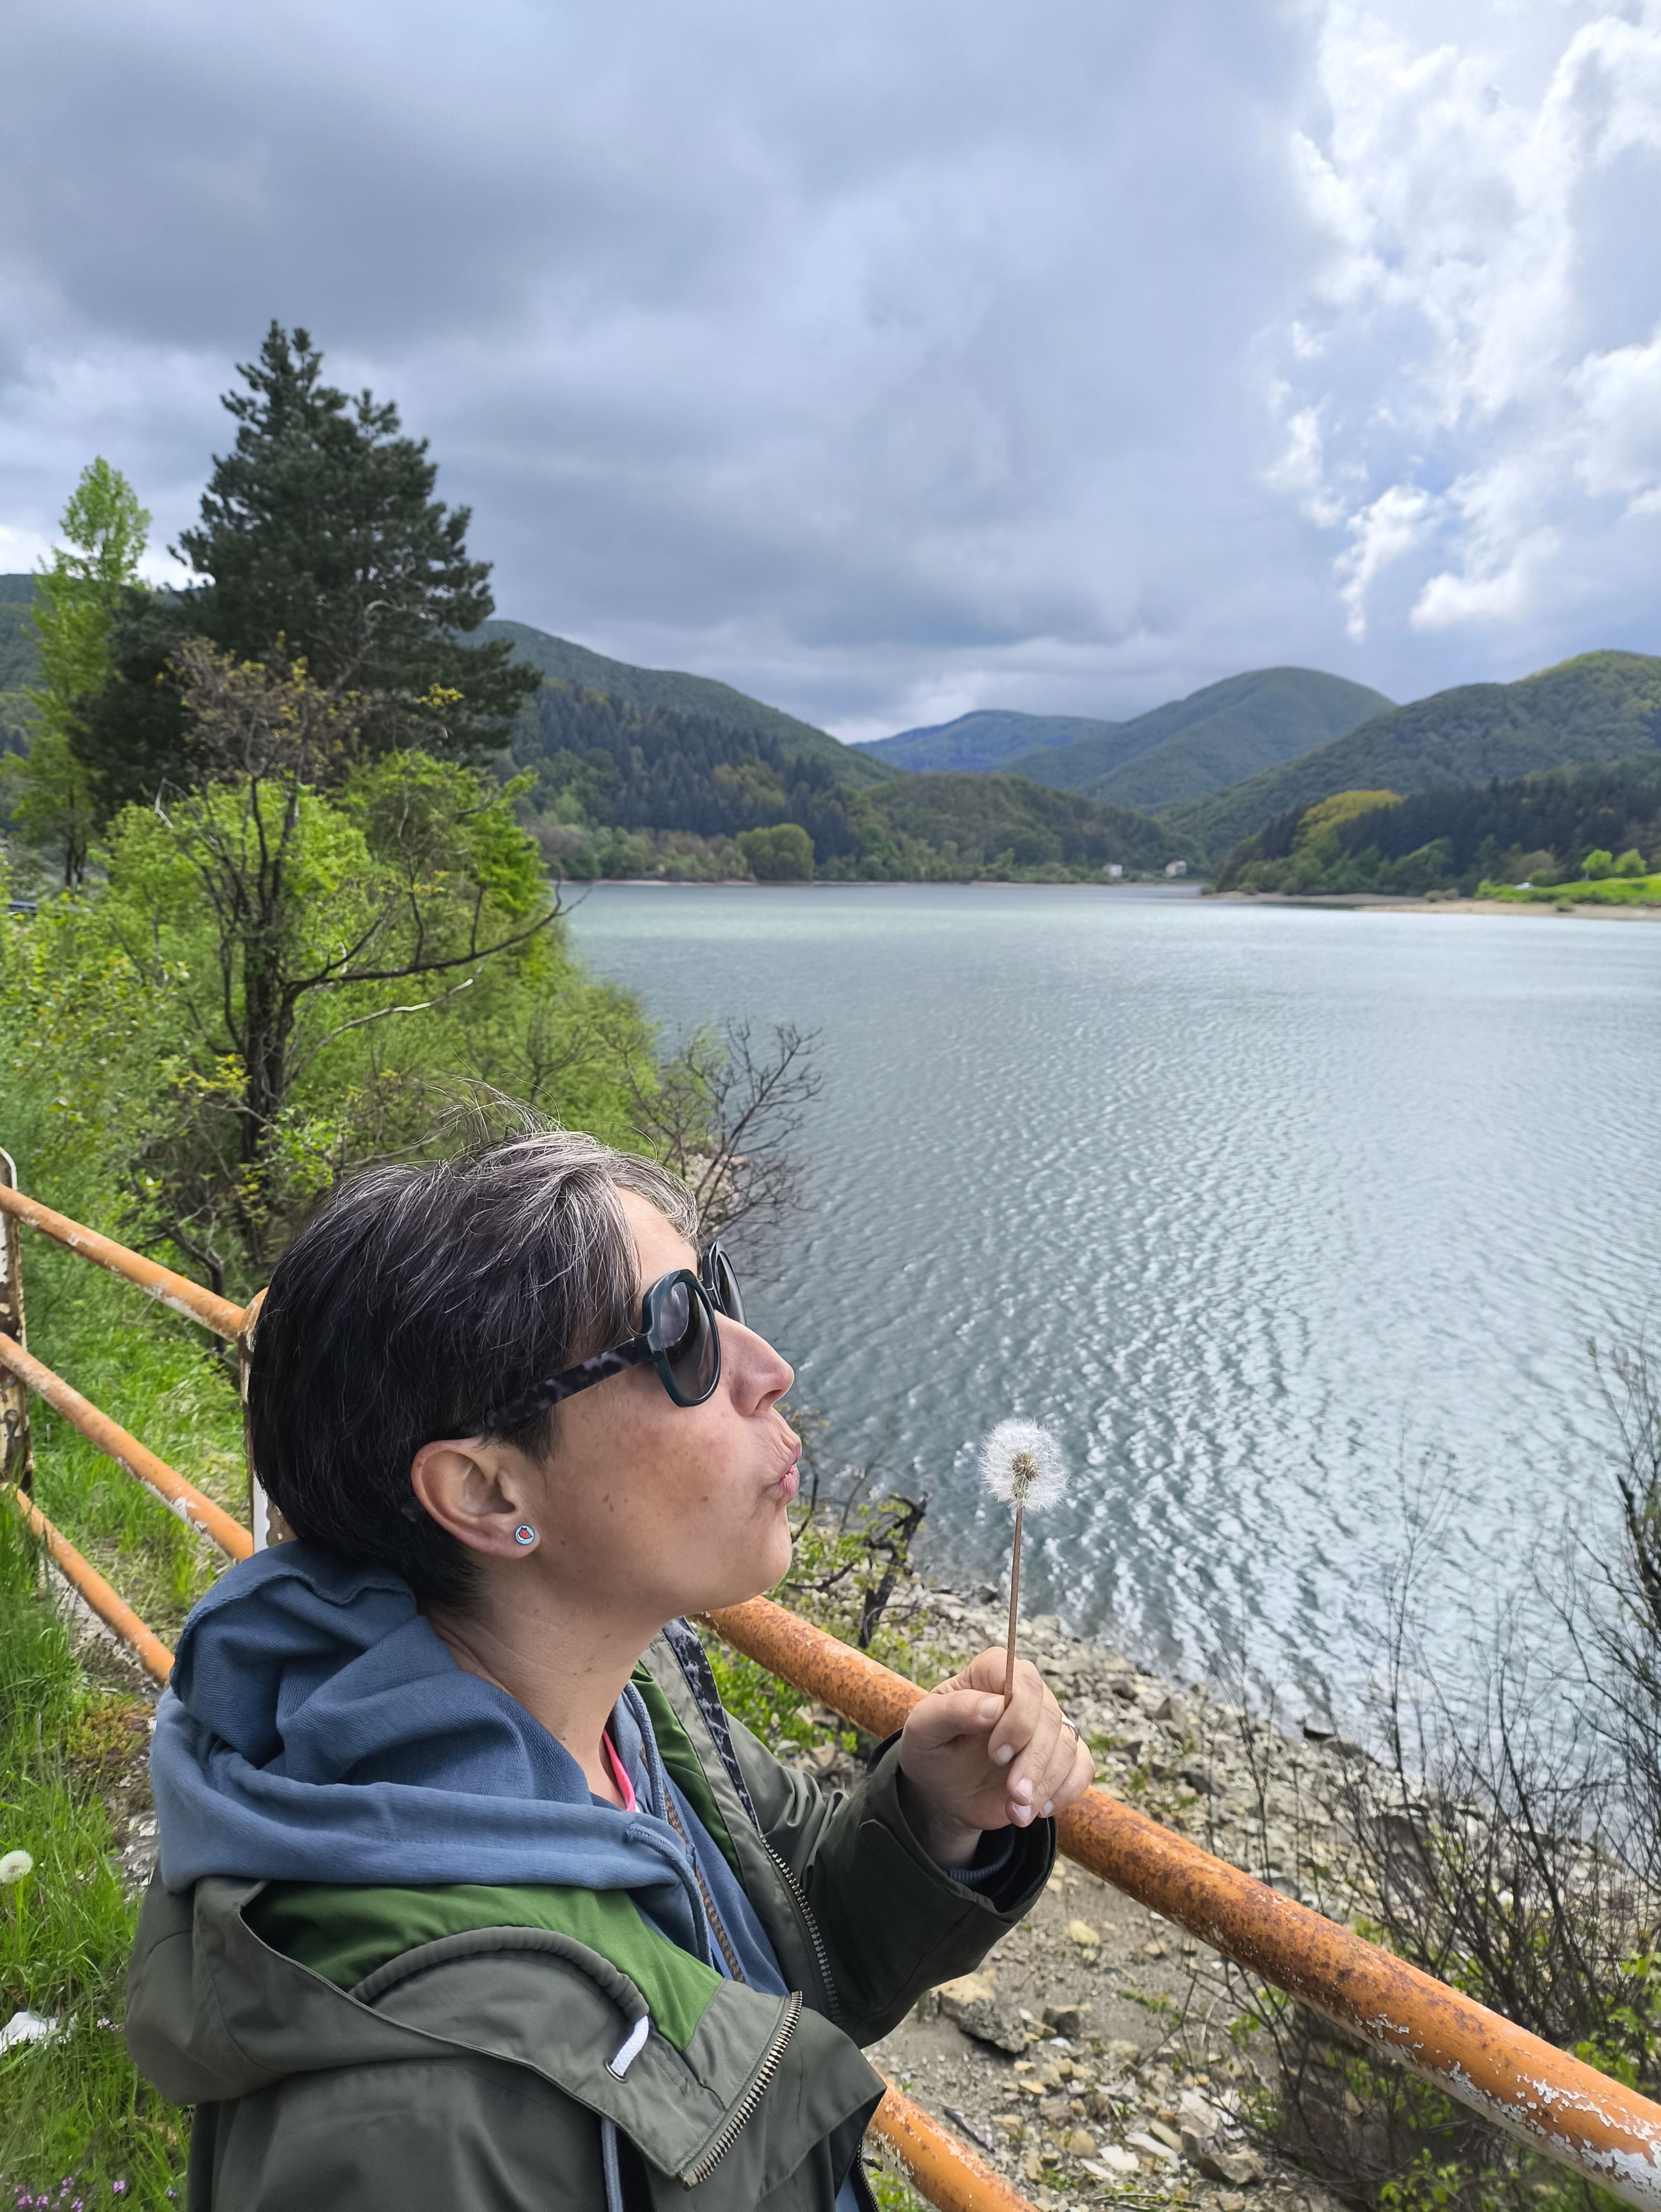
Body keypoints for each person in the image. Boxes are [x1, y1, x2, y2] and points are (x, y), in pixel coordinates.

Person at [125, 1130, 1094, 2210]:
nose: (768, 1369)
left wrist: (930, 1816)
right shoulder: (422, 2123)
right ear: (489, 1493)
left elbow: (782, 1954)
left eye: (712, 1291)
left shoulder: (614, 1707)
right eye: (676, 1333)